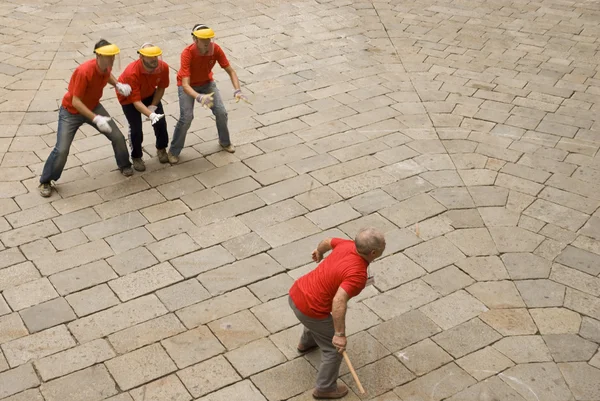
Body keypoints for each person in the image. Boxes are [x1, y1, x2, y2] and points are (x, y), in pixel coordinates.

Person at [288, 228, 386, 399]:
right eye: (384, 244)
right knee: (334, 349)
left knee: (320, 324)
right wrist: (339, 335)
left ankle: (306, 344)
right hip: (311, 310)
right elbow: (339, 301)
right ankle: (325, 388)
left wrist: (319, 251)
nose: (386, 244)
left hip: (296, 293)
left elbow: (327, 241)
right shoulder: (357, 275)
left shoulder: (347, 244)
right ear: (374, 252)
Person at [39, 39, 133, 197]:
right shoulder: (84, 72)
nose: (112, 59)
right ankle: (46, 180)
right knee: (61, 150)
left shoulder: (106, 66)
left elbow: (107, 75)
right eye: (109, 56)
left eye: (113, 56)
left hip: (93, 106)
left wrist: (117, 84)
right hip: (71, 112)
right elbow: (76, 101)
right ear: (98, 56)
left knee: (117, 136)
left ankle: (124, 164)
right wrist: (96, 118)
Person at [167, 23, 249, 163]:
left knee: (221, 112)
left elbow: (231, 71)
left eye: (209, 40)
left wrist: (237, 90)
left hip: (207, 83)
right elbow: (185, 85)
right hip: (188, 86)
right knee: (186, 117)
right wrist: (199, 97)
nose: (207, 43)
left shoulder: (215, 49)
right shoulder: (187, 53)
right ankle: (174, 151)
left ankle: (225, 142)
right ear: (195, 39)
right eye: (203, 40)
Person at [117, 43, 170, 171]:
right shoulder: (132, 73)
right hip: (129, 98)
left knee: (161, 122)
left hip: (149, 94)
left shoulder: (163, 67)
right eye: (150, 57)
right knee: (136, 129)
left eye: (156, 56)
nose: (154, 60)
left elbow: (161, 87)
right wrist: (151, 114)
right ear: (141, 57)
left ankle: (161, 148)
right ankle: (136, 156)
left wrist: (153, 106)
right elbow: (136, 102)